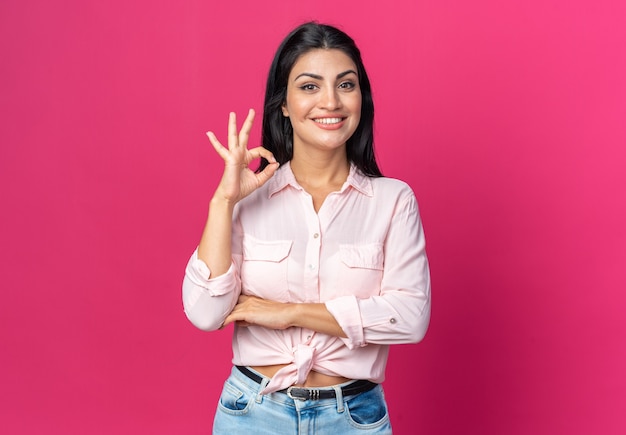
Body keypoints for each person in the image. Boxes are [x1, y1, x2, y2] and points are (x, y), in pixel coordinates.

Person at [182, 22, 431, 434]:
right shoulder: (247, 198)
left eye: (345, 85)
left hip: (354, 419)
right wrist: (223, 201)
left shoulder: (393, 201)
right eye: (310, 87)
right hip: (252, 415)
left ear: (361, 100)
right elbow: (206, 313)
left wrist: (289, 314)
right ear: (283, 103)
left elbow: (410, 318)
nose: (330, 101)